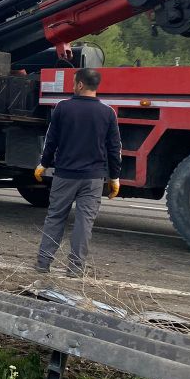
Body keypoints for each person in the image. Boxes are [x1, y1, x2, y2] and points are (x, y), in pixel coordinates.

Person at [34, 67, 121, 277]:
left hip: (65, 175)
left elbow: (51, 141)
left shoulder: (63, 108)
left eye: (74, 82)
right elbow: (114, 148)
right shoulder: (108, 113)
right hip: (93, 179)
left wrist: (43, 164)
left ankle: (43, 264)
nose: (73, 86)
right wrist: (114, 177)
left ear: (80, 84)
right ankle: (74, 270)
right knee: (84, 223)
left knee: (55, 218)